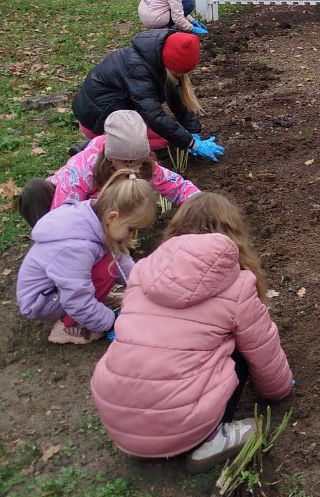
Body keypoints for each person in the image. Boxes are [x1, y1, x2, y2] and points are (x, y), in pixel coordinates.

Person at [90, 191, 293, 473]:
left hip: (118, 418)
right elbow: (263, 348)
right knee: (240, 347)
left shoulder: (143, 271)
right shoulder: (237, 286)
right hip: (180, 422)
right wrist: (279, 391)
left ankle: (148, 433)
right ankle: (211, 438)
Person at [16, 171, 157, 346]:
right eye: (130, 229)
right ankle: (67, 326)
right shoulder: (77, 246)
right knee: (106, 268)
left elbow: (121, 260)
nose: (131, 236)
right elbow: (76, 298)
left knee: (110, 259)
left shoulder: (93, 220)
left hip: (55, 291)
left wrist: (145, 283)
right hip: (41, 300)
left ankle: (93, 306)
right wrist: (110, 321)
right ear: (113, 217)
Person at [17, 110, 200, 228]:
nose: (133, 169)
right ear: (111, 157)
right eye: (127, 163)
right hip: (59, 206)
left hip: (101, 209)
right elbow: (65, 214)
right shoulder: (83, 169)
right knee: (35, 190)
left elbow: (175, 185)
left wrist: (199, 203)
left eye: (138, 161)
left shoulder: (143, 165)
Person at [72, 30, 224, 162]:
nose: (181, 76)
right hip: (95, 118)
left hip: (112, 110)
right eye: (178, 72)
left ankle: (106, 143)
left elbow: (176, 99)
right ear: (170, 64)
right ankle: (92, 150)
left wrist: (192, 131)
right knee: (163, 139)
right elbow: (154, 116)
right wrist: (191, 143)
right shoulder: (139, 69)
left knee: (173, 136)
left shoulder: (157, 56)